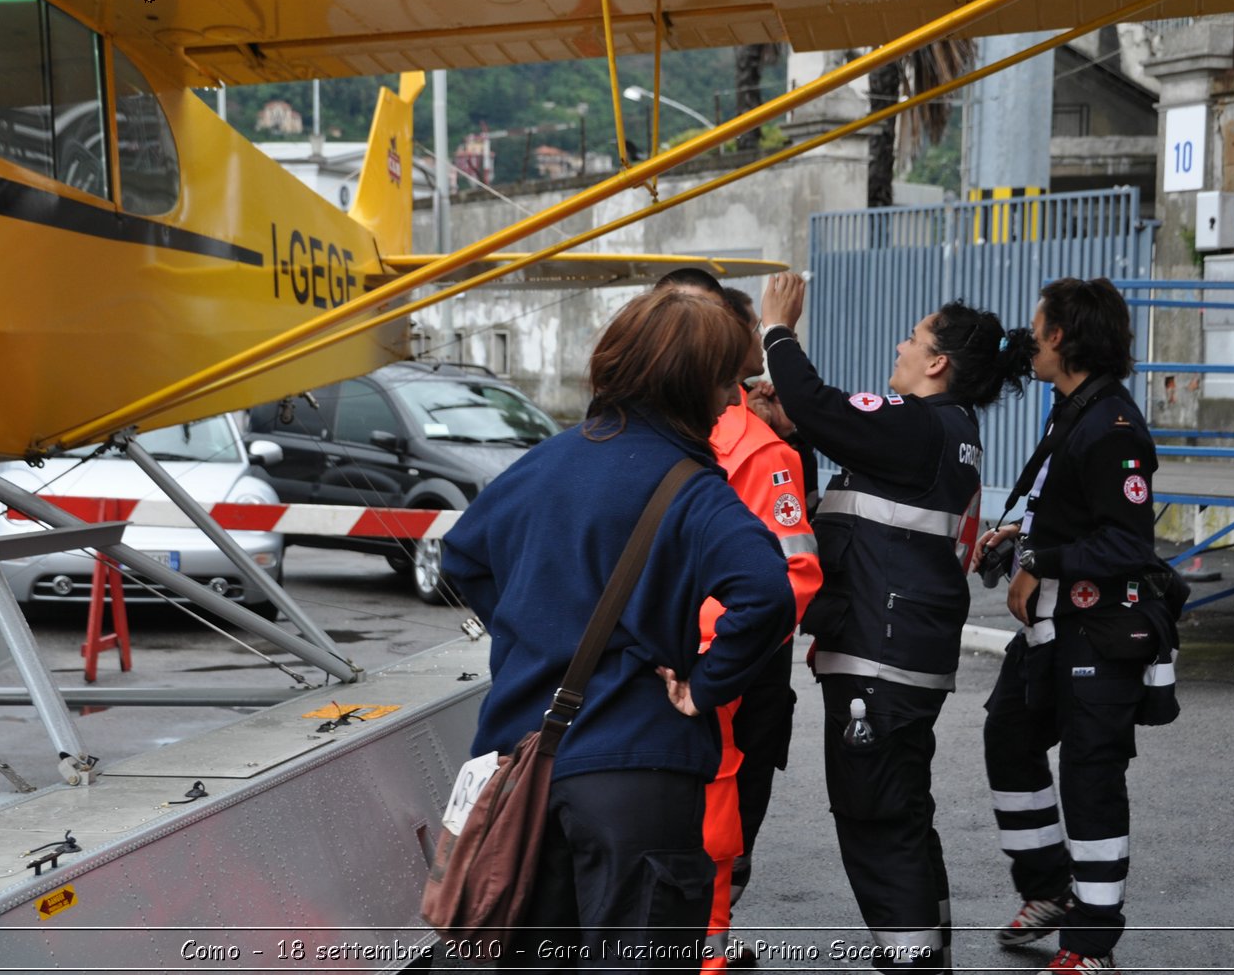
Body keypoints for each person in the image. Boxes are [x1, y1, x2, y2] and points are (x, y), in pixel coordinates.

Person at [442, 286, 795, 970]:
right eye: (728, 381)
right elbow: (768, 593)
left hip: (525, 777)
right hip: (638, 776)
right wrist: (706, 683)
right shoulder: (691, 486)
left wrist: (534, 633)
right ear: (692, 384)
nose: (734, 400)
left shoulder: (546, 460)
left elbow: (464, 555)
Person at [759, 271, 1033, 973]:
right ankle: (928, 955)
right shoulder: (948, 434)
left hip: (880, 659)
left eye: (913, 338)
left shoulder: (919, 423)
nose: (900, 346)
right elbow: (841, 456)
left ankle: (913, 964)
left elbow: (818, 404)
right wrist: (795, 425)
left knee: (876, 819)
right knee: (901, 815)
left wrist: (778, 330)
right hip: (899, 652)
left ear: (938, 363)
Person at [971, 277, 1158, 975]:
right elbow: (1067, 504)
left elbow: (1128, 545)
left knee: (1091, 778)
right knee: (1009, 737)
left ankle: (1091, 944)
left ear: (1060, 336)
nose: (1029, 339)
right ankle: (1049, 890)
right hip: (1051, 627)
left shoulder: (1113, 427)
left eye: (1036, 324)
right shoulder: (1072, 407)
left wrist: (1041, 557)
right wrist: (1020, 533)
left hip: (1098, 632)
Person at [656, 273, 823, 967]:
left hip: (664, 667)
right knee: (721, 827)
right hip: (726, 677)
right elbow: (797, 576)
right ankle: (705, 949)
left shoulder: (637, 431)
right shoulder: (762, 448)